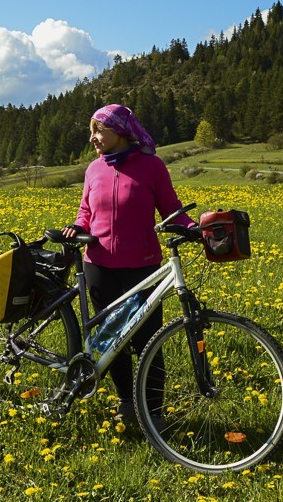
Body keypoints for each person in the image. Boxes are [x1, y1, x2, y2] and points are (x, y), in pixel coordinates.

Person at [62, 104, 196, 425]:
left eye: (99, 131)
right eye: (91, 132)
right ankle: (126, 403)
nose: (93, 138)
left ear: (120, 131)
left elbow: (171, 209)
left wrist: (193, 229)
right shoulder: (94, 169)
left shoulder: (152, 167)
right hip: (99, 265)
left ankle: (153, 412)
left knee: (147, 341)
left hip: (143, 266)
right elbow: (86, 211)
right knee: (111, 340)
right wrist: (79, 227)